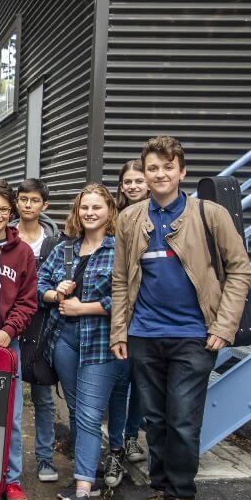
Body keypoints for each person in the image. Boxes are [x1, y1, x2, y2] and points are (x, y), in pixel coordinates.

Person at [112, 137, 251, 500]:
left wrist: (223, 326)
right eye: (153, 168)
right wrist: (120, 331)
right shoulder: (130, 218)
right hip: (144, 334)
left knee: (183, 420)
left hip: (194, 336)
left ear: (182, 171)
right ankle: (160, 491)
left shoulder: (209, 214)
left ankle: (182, 496)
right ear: (145, 173)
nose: (160, 174)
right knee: (155, 421)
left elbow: (240, 270)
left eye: (167, 167)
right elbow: (121, 279)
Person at [37, 183, 122, 500]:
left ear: (109, 211)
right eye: (84, 207)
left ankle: (83, 490)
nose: (90, 212)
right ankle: (86, 476)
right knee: (76, 410)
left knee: (88, 413)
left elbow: (128, 297)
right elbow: (39, 286)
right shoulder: (64, 249)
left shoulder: (120, 250)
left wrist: (84, 307)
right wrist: (55, 294)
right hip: (64, 340)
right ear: (77, 211)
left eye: (97, 207)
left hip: (101, 342)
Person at [0, 179, 38, 500]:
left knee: (10, 416)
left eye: (2, 209)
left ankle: (11, 479)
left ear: (10, 211)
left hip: (5, 345)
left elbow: (28, 301)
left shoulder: (22, 252)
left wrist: (9, 331)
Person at [10, 178, 64, 484]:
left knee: (43, 395)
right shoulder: (6, 235)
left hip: (42, 324)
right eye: (23, 199)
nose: (28, 205)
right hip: (9, 323)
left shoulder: (53, 241)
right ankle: (7, 461)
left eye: (34, 200)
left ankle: (45, 458)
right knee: (8, 398)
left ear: (45, 205)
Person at [105, 159, 151, 483]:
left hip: (149, 313)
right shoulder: (115, 218)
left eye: (138, 180)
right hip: (121, 311)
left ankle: (133, 434)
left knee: (141, 382)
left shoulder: (159, 216)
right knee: (120, 381)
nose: (133, 186)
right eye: (128, 182)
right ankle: (116, 446)